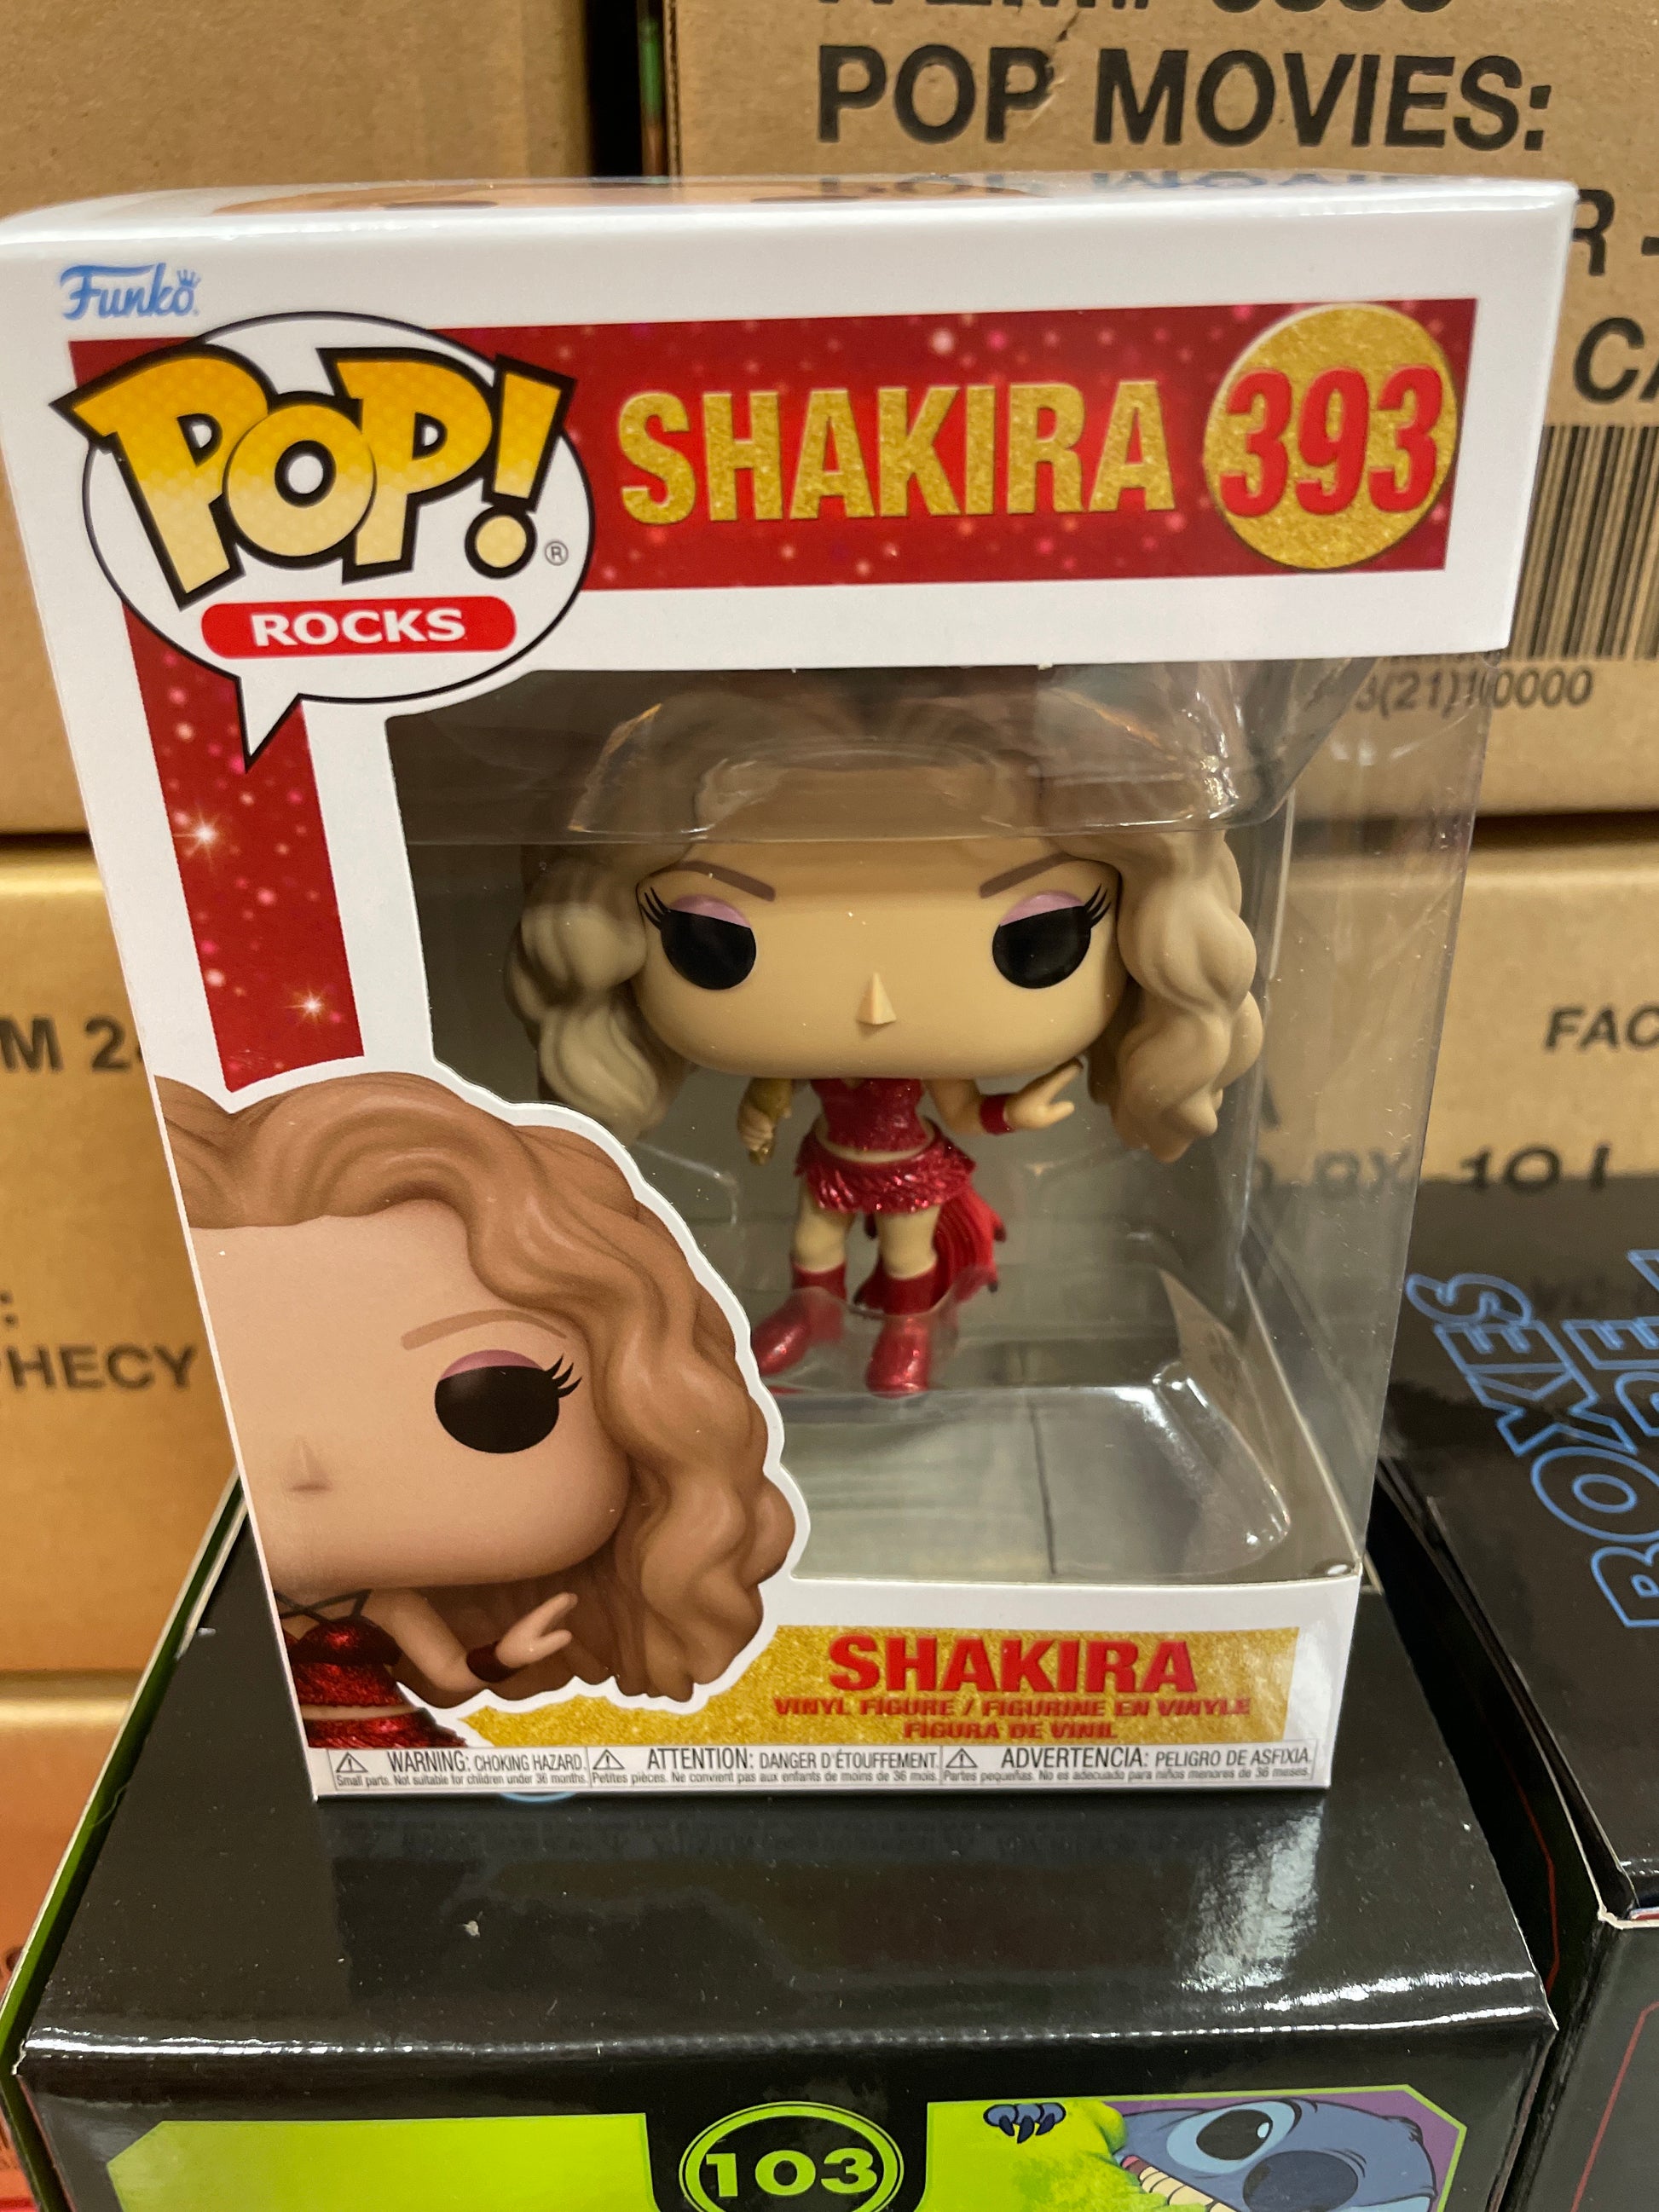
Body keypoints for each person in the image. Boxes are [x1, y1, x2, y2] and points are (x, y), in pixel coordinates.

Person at [510, 679, 1262, 1396]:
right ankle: (811, 1312)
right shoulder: (801, 1065)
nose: (876, 1008)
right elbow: (773, 1092)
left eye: (1037, 938)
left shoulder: (927, 1071)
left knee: (908, 1252)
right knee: (812, 1244)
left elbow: (962, 1111)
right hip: (830, 1161)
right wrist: (761, 1115)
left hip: (909, 1171)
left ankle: (910, 1329)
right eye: (715, 941)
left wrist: (1015, 1112)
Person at [160, 1072, 795, 1747]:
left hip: (389, 1748)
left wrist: (507, 1653)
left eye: (499, 1398)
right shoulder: (215, 1606)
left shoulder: (383, 1605)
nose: (304, 1463)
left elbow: (453, 1672)